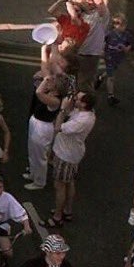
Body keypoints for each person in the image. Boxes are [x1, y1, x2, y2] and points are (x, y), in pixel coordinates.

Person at [45, 90, 97, 228]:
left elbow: (58, 127)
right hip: (71, 153)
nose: (75, 100)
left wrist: (62, 109)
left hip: (65, 155)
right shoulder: (87, 113)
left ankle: (57, 217)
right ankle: (67, 210)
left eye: (78, 99)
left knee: (60, 185)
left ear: (84, 104)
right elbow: (71, 112)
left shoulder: (82, 121)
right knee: (69, 182)